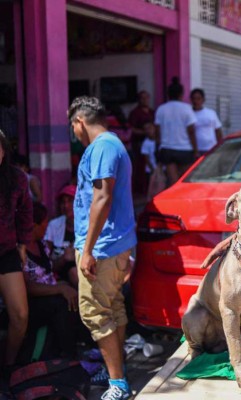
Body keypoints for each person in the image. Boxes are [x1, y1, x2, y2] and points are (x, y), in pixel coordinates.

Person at [68, 96, 137, 400]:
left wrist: (87, 250)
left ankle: (118, 383)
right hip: (114, 245)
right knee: (113, 308)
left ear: (79, 121)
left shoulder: (103, 147)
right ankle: (116, 372)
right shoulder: (112, 144)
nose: (74, 134)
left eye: (73, 127)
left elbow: (102, 198)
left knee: (95, 312)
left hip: (103, 247)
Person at [23, 202, 79, 360]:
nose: (47, 226)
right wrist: (60, 289)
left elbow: (50, 267)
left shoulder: (40, 244)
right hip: (31, 302)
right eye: (45, 222)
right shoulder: (19, 251)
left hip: (49, 293)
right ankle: (70, 357)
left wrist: (64, 258)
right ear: (34, 225)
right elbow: (26, 287)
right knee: (62, 304)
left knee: (74, 296)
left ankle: (82, 345)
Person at [0, 129, 31, 373]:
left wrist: (23, 243)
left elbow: (25, 213)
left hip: (7, 252)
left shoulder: (17, 178)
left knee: (20, 315)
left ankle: (8, 367)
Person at [155, 77, 197, 185]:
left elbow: (158, 132)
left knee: (173, 181)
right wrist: (196, 149)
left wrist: (158, 148)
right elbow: (191, 131)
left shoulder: (161, 109)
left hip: (167, 149)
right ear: (181, 94)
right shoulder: (187, 109)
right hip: (184, 149)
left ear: (168, 94)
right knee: (185, 180)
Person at [44, 184, 78, 287]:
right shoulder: (54, 225)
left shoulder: (89, 225)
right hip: (59, 276)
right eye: (63, 202)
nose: (66, 205)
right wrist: (64, 258)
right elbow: (46, 263)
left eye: (70, 201)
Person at [128, 90, 155, 194]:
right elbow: (131, 128)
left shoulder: (152, 112)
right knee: (139, 166)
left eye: (146, 97)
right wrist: (145, 132)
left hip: (152, 142)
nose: (144, 100)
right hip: (139, 142)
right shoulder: (135, 113)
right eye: (142, 98)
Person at [190, 88, 223, 154]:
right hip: (195, 150)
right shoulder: (188, 114)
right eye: (194, 98)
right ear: (191, 100)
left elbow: (218, 131)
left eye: (198, 99)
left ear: (203, 100)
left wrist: (220, 147)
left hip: (211, 149)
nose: (196, 101)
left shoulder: (211, 113)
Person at [140, 122, 157, 186]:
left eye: (149, 128)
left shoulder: (160, 140)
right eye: (146, 129)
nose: (148, 131)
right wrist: (152, 169)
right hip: (151, 170)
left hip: (161, 169)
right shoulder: (146, 143)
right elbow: (146, 158)